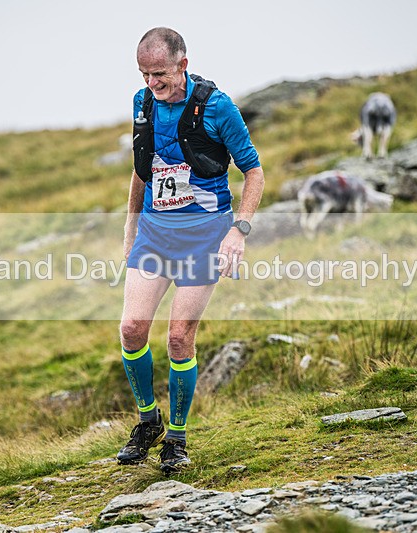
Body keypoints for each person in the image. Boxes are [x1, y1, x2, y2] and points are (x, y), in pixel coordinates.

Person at [117, 27, 265, 474]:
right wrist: (130, 229)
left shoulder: (218, 108)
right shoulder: (142, 104)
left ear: (183, 63)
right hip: (155, 236)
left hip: (205, 237)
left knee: (179, 337)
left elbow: (254, 173)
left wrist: (238, 231)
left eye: (159, 74)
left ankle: (177, 438)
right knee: (130, 330)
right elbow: (143, 170)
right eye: (144, 74)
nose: (151, 84)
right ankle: (148, 422)